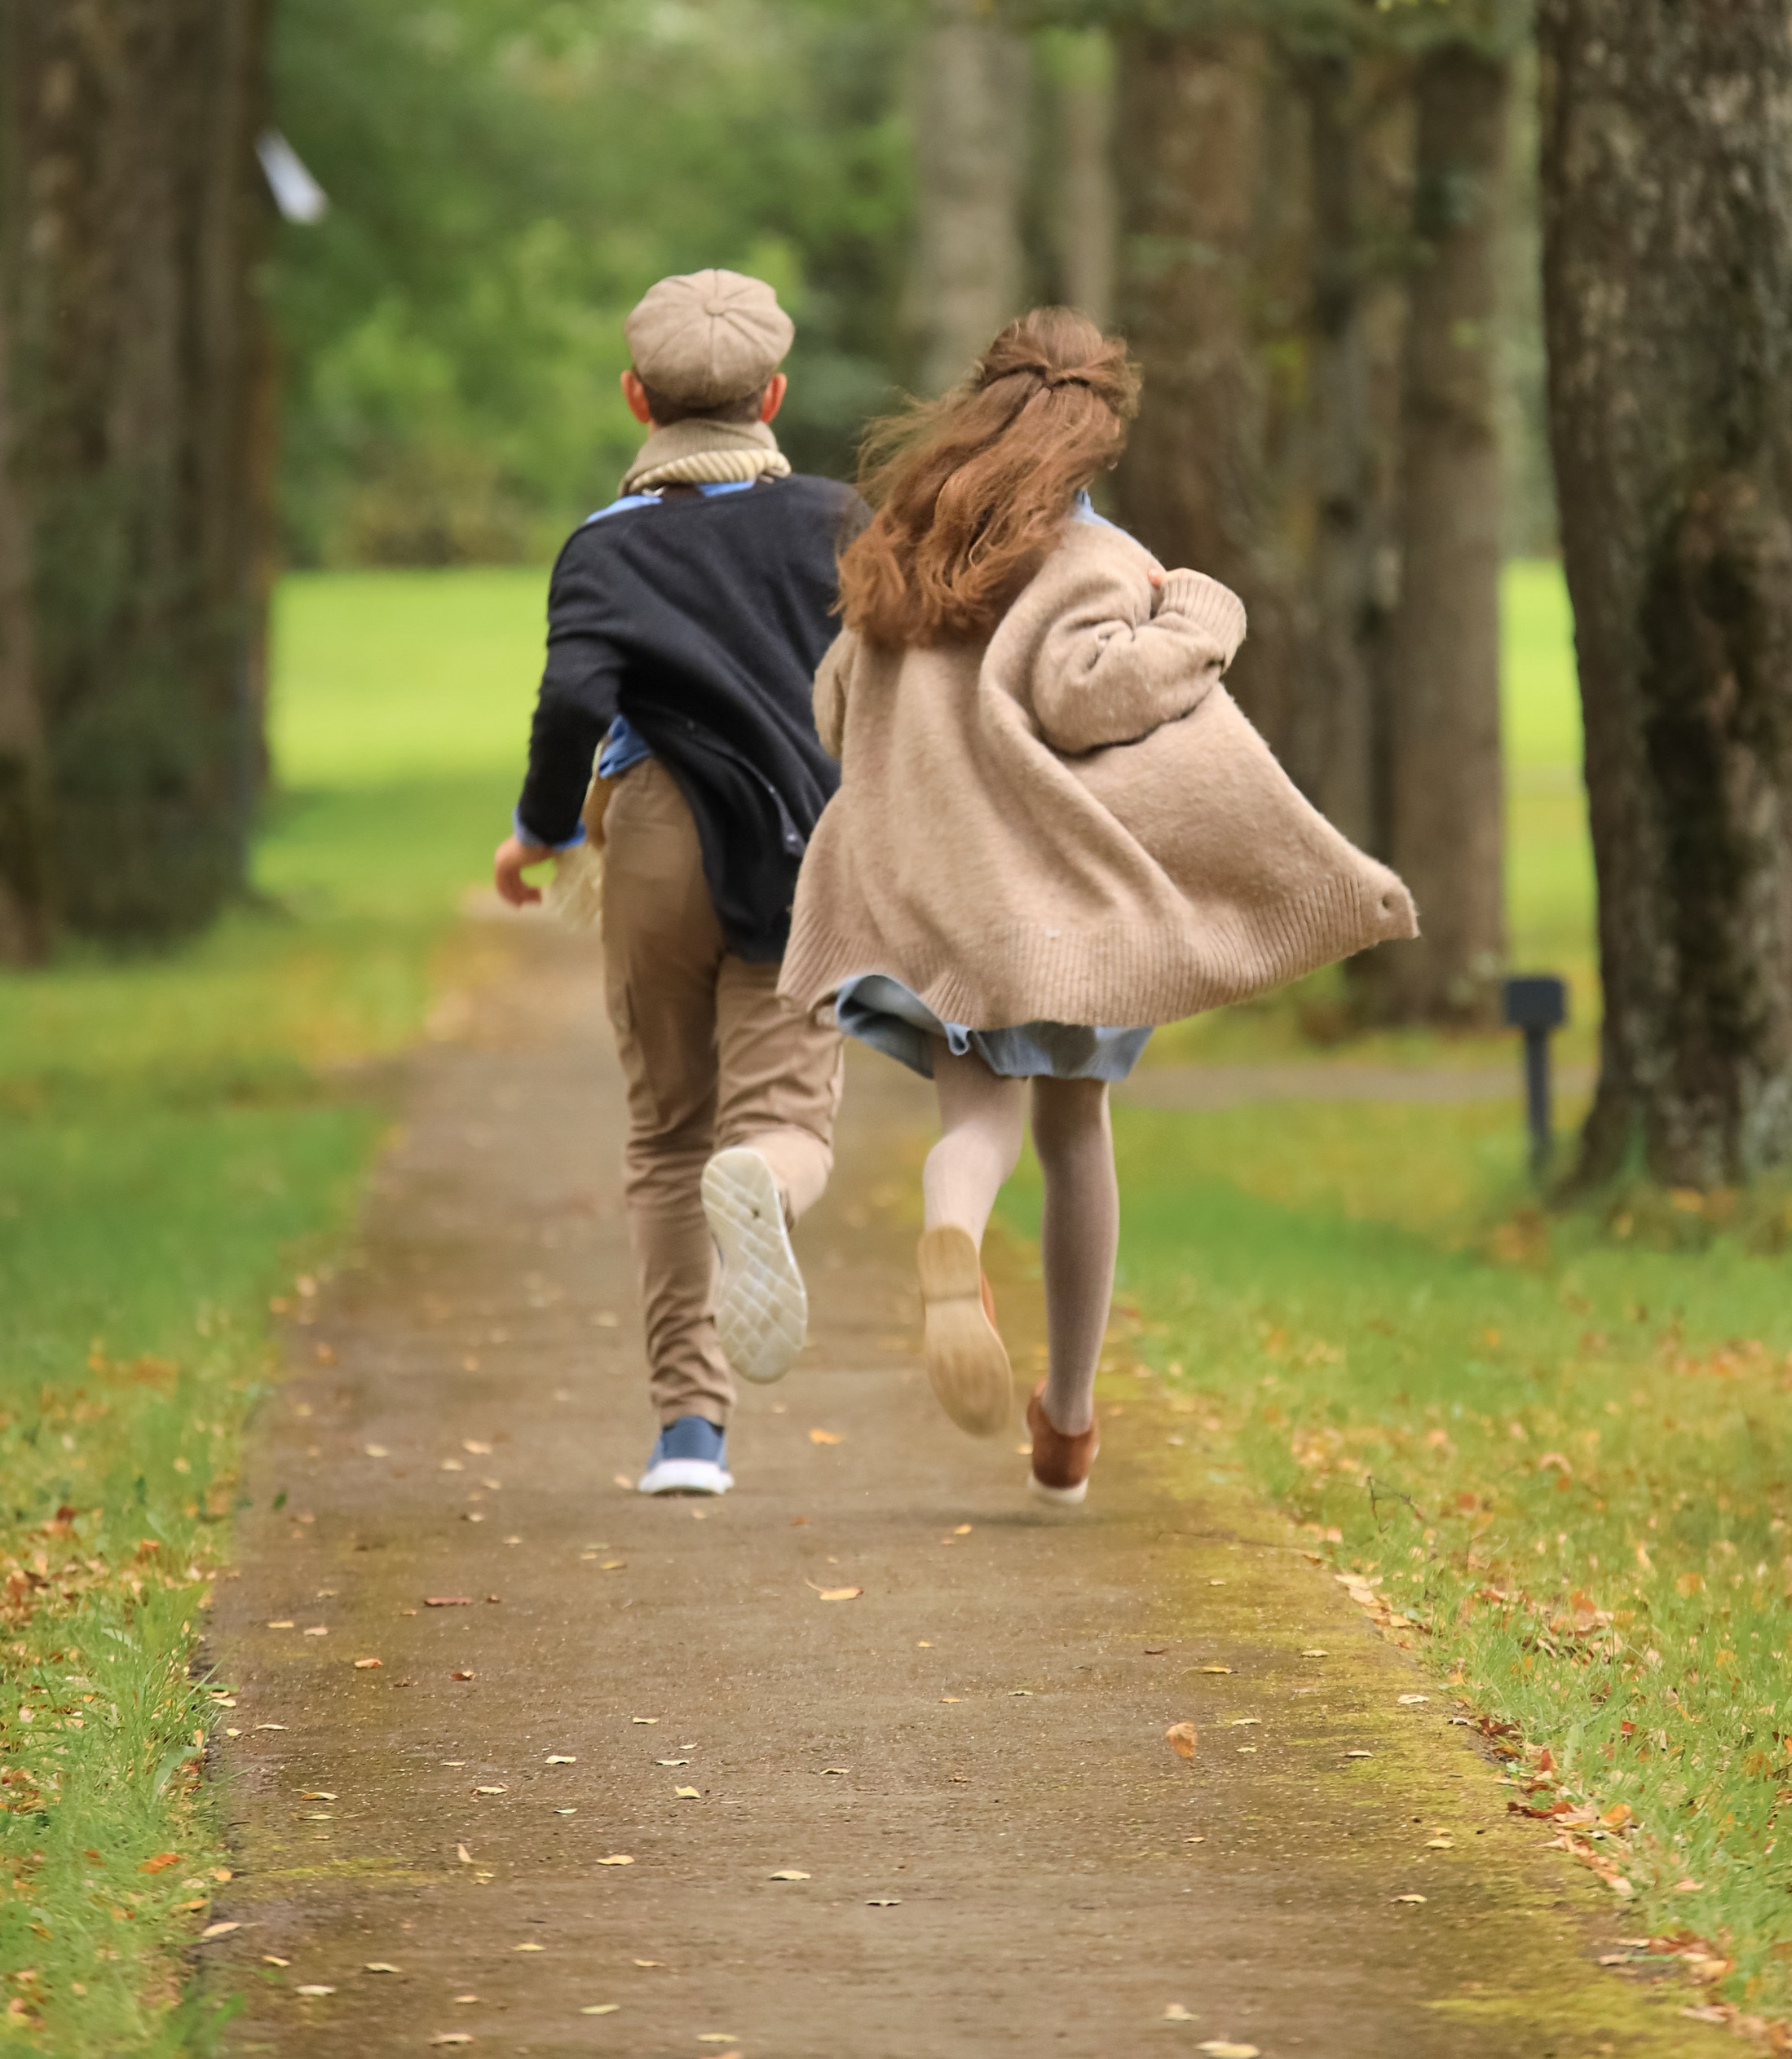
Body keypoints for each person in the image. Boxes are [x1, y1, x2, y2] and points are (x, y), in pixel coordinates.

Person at [779, 305, 1417, 1508]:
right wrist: (1204, 616)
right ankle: (1067, 1424)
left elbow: (834, 710)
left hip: (938, 900)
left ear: (980, 403)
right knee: (1075, 1134)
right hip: (1063, 907)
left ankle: (954, 1225)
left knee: (976, 1123)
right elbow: (1089, 699)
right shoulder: (1094, 560)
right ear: (1100, 432)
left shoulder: (903, 551)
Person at [496, 268, 864, 1500]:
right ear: (775, 395)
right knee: (787, 1121)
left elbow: (573, 702)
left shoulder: (604, 546)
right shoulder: (838, 524)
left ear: (635, 398)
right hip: (798, 848)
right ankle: (766, 1185)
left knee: (666, 1134)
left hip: (652, 838)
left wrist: (541, 832)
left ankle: (689, 1435)